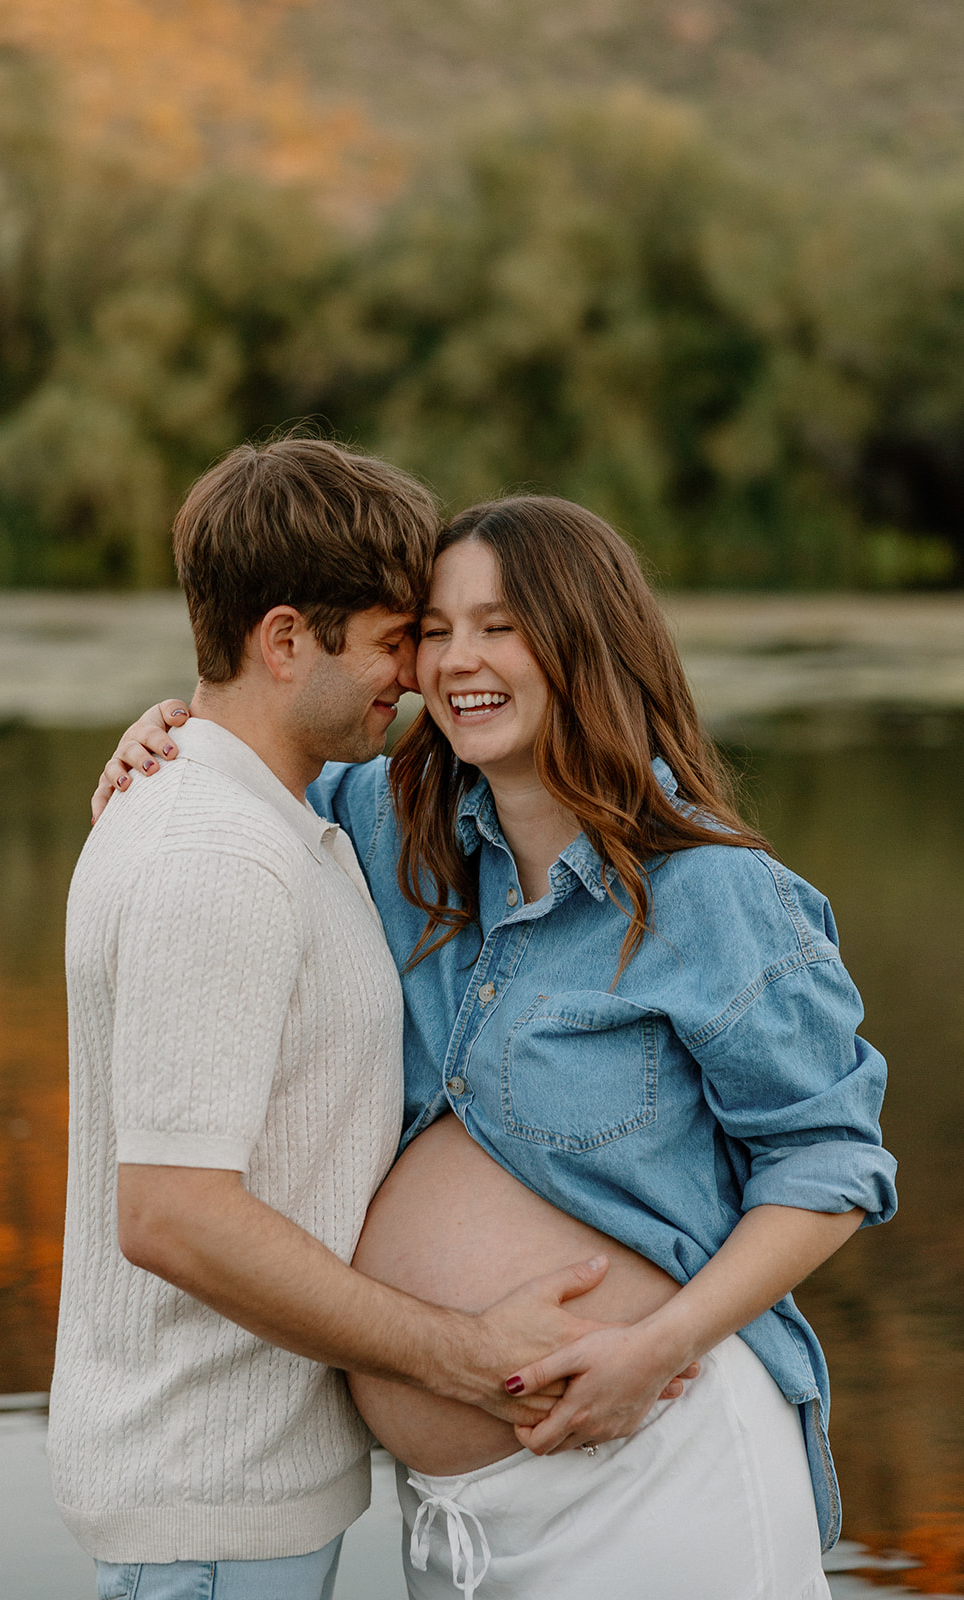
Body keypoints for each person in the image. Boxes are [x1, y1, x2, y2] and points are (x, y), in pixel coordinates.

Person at [99, 493, 897, 1600]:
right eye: (433, 627)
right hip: (459, 1521)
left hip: (658, 1471)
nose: (454, 660)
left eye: (500, 625)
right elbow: (254, 743)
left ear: (585, 640)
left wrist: (655, 1345)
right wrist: (165, 732)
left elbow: (828, 1166)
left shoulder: (708, 891)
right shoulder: (388, 825)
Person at [53, 445, 638, 1600]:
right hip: (205, 1510)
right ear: (283, 642)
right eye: (388, 641)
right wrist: (460, 1355)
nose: (412, 677)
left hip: (243, 1502)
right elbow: (172, 1218)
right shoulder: (214, 856)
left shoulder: (272, 817)